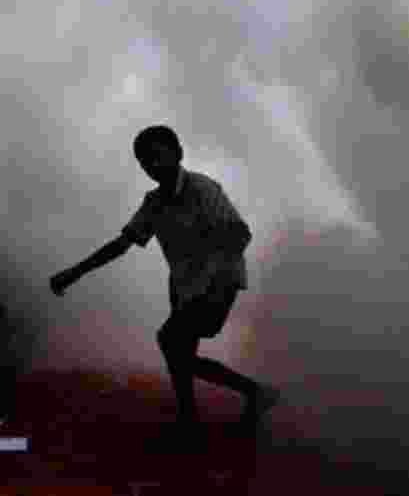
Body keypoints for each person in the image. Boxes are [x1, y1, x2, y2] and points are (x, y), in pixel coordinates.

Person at [49, 125, 280, 447]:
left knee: (171, 341)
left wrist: (213, 279)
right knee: (180, 353)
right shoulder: (154, 202)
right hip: (184, 284)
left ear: (178, 153)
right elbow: (122, 243)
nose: (151, 166)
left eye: (156, 156)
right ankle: (210, 413)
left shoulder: (202, 188)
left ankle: (243, 397)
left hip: (218, 281)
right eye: (144, 161)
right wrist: (74, 272)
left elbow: (240, 234)